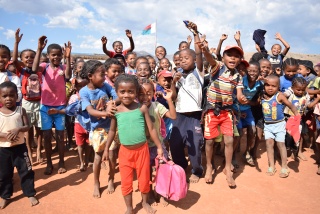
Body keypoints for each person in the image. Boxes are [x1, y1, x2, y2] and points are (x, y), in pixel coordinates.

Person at [101, 74, 164, 214]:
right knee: (126, 181)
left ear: (136, 92)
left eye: (131, 91)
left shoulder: (142, 109)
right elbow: (111, 131)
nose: (127, 95)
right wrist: (106, 149)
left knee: (143, 179)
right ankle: (129, 208)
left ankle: (145, 203)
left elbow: (152, 129)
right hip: (125, 153)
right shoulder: (115, 111)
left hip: (142, 151)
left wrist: (159, 146)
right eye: (122, 92)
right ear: (116, 92)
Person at [199, 42, 246, 187]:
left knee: (229, 141)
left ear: (240, 60)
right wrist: (206, 50)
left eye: (237, 56)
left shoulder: (238, 76)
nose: (233, 58)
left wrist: (241, 98)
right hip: (212, 111)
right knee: (210, 142)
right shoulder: (217, 67)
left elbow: (238, 94)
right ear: (224, 57)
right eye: (230, 55)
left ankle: (227, 169)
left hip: (227, 111)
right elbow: (210, 58)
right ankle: (209, 167)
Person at [169, 21, 204, 183]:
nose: (182, 60)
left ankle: (197, 169)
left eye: (186, 58)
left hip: (195, 116)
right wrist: (173, 83)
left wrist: (195, 32)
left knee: (195, 145)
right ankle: (182, 166)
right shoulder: (177, 74)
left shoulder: (199, 72)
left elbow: (198, 53)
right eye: (180, 58)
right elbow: (173, 97)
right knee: (175, 143)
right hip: (179, 116)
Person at [79, 60, 118, 197]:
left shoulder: (106, 86)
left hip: (111, 127)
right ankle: (96, 182)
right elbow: (90, 110)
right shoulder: (84, 92)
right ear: (90, 76)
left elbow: (117, 97)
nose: (105, 76)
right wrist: (105, 113)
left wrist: (111, 103)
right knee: (98, 157)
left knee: (112, 156)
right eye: (102, 74)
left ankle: (111, 178)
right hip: (97, 129)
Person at [33, 40, 72, 175]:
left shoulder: (63, 68)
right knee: (47, 136)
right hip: (46, 108)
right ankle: (49, 163)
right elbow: (33, 69)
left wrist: (68, 57)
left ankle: (61, 161)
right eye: (53, 55)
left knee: (61, 136)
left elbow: (68, 76)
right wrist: (38, 50)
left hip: (60, 107)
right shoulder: (44, 67)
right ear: (48, 55)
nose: (56, 57)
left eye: (59, 55)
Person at [0, 81, 39, 209]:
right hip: (3, 149)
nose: (8, 99)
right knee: (4, 174)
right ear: (0, 97)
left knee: (26, 171)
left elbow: (27, 127)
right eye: (4, 96)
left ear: (17, 96)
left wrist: (18, 129)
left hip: (20, 148)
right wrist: (5, 136)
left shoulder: (20, 110)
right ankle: (5, 196)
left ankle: (30, 193)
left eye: (11, 95)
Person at [138, 78, 175, 206]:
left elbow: (173, 116)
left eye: (148, 93)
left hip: (158, 145)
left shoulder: (157, 106)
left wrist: (169, 100)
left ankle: (161, 193)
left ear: (153, 93)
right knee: (146, 172)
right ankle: (149, 194)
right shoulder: (136, 109)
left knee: (161, 170)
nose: (145, 96)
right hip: (143, 147)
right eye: (141, 93)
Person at [11, 29, 46, 165]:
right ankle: (30, 153)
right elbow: (14, 60)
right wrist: (16, 42)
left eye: (32, 57)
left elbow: (38, 64)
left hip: (40, 103)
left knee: (40, 129)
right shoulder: (23, 71)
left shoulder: (39, 70)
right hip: (27, 103)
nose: (30, 59)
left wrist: (39, 49)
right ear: (22, 59)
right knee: (28, 130)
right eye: (26, 57)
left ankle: (38, 151)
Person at [261, 75, 298, 178]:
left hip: (279, 125)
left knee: (281, 145)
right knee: (269, 144)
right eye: (267, 85)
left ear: (278, 87)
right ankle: (271, 166)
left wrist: (297, 116)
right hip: (267, 125)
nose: (270, 88)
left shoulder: (279, 96)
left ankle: (284, 167)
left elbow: (291, 106)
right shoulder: (262, 96)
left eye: (273, 86)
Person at [233, 62, 263, 167]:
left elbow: (257, 101)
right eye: (249, 70)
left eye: (255, 71)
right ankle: (232, 157)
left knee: (253, 131)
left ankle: (247, 153)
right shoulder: (241, 80)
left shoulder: (260, 84)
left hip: (247, 110)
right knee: (239, 133)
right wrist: (237, 112)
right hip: (236, 110)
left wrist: (250, 103)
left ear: (259, 72)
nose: (252, 73)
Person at [284, 77, 320, 161]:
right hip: (288, 118)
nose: (300, 92)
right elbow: (284, 95)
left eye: (303, 90)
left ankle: (297, 153)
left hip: (300, 119)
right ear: (293, 87)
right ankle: (285, 152)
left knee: (299, 137)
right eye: (298, 90)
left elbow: (309, 106)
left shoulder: (306, 95)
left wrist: (317, 99)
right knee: (288, 136)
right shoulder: (290, 92)